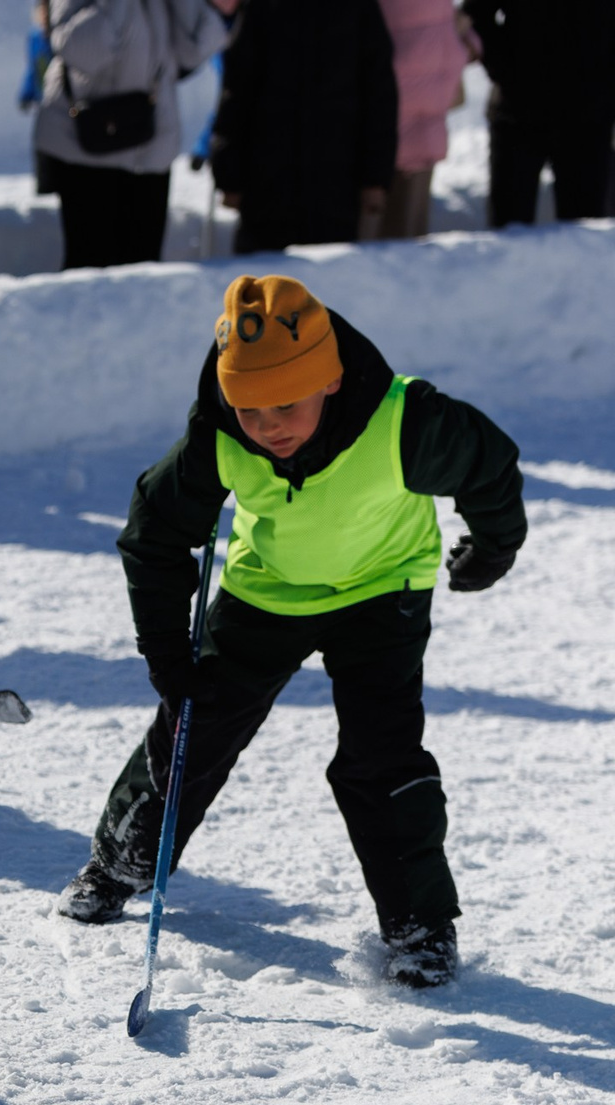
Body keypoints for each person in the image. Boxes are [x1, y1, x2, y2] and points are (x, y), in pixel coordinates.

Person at [56, 274, 526, 989]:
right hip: (265, 589)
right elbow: (155, 535)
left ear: (330, 379)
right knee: (195, 723)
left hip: (383, 590)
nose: (269, 424)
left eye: (287, 403)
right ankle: (121, 860)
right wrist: (165, 653)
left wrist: (492, 546)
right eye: (249, 408)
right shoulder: (217, 434)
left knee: (381, 753)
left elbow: (490, 466)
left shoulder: (406, 420)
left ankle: (420, 922)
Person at [31, 0, 233, 270]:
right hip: (85, 145)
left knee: (142, 277)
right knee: (90, 270)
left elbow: (195, 48)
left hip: (150, 146)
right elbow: (81, 50)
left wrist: (217, 9)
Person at [210, 0, 398, 253]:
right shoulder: (262, 7)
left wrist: (375, 178)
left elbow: (379, 95)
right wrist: (229, 175)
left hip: (335, 180)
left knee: (327, 282)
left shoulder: (358, 7)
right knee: (267, 282)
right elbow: (237, 92)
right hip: (268, 181)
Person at [463, 1, 615, 225]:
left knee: (586, 236)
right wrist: (506, 68)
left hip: (590, 119)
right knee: (509, 235)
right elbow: (476, 14)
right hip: (518, 112)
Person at [367, 0, 473, 239]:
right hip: (384, 118)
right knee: (373, 242)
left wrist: (463, 44)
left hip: (421, 117)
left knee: (407, 238)